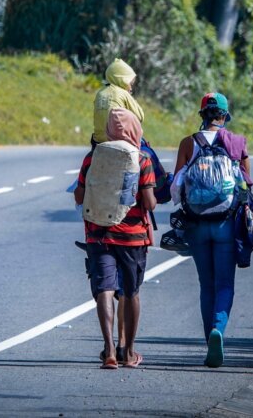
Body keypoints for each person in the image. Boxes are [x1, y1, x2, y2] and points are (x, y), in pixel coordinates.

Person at [172, 93, 251, 367]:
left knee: (206, 285)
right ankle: (219, 328)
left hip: (196, 226)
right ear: (225, 116)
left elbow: (176, 187)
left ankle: (209, 341)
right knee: (224, 284)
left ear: (202, 114)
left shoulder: (188, 143)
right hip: (226, 225)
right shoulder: (237, 143)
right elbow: (245, 187)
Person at [75, 108, 156, 369]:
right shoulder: (142, 159)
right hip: (132, 238)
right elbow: (150, 203)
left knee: (104, 290)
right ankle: (129, 352)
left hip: (98, 234)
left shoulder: (92, 158)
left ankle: (109, 351)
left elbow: (79, 195)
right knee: (131, 293)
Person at [92, 58, 145, 145]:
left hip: (98, 142)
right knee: (148, 152)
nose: (131, 88)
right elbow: (140, 116)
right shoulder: (122, 93)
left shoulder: (99, 93)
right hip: (119, 142)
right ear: (122, 80)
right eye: (130, 84)